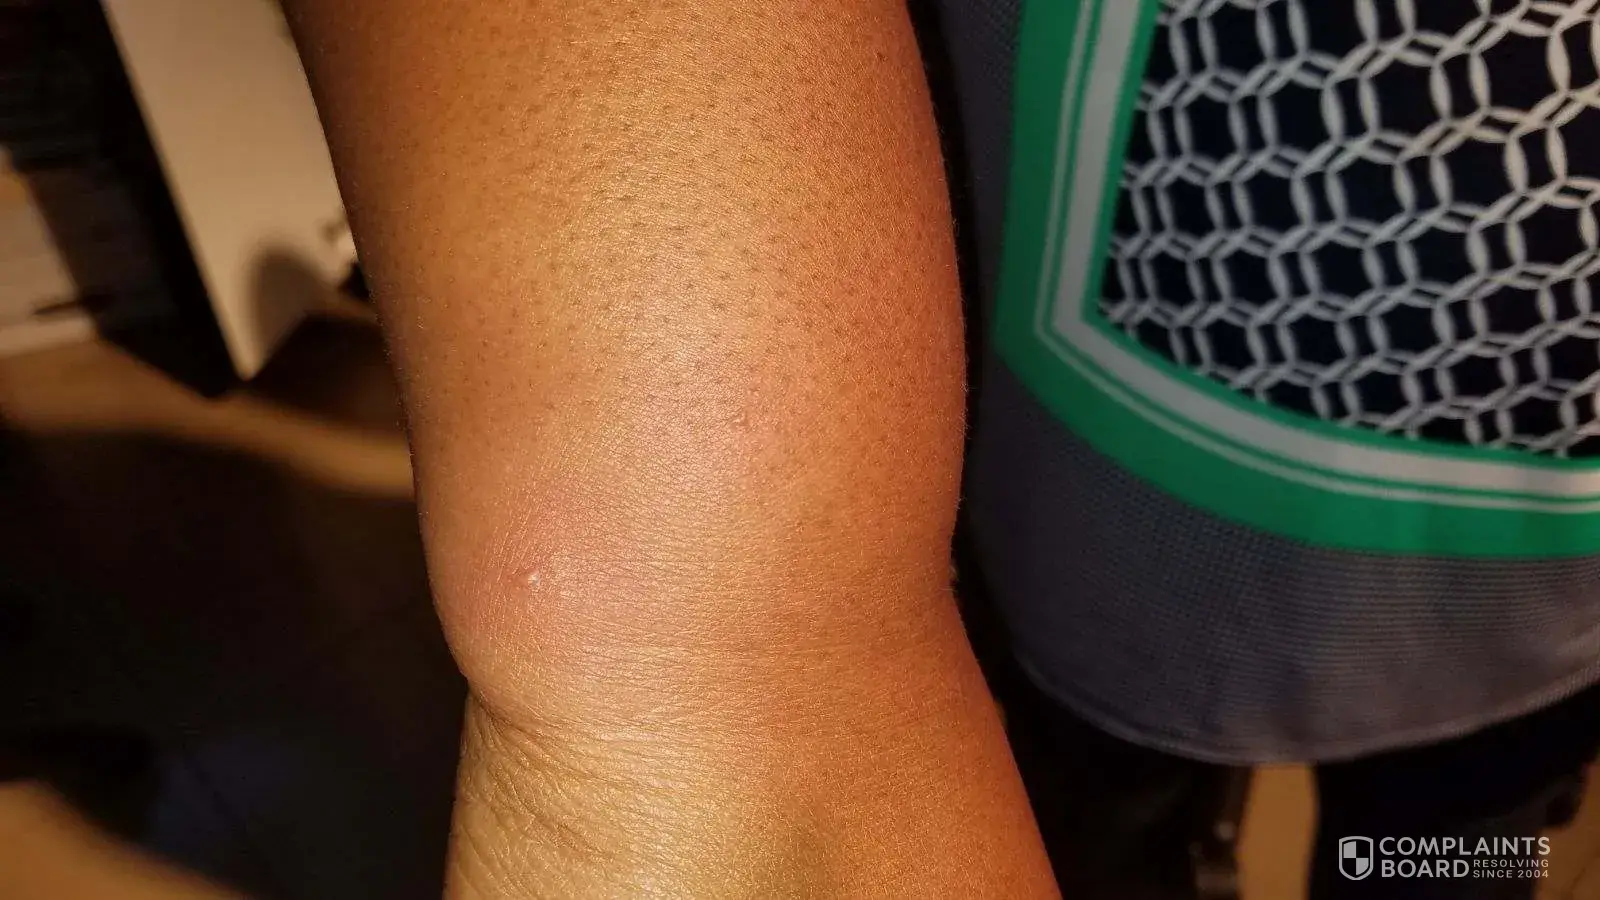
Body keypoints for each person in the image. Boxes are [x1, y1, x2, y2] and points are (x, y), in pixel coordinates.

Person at [284, 0, 1600, 897]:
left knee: (1444, 859)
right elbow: (721, 669)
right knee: (1103, 841)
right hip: (1091, 516)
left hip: (1539, 570)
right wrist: (711, 657)